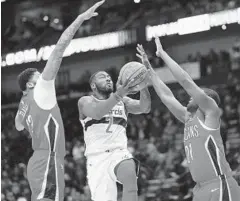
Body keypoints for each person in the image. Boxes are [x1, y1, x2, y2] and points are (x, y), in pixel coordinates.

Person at [14, 1, 105, 201]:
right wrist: (80, 19)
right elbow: (59, 49)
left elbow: (18, 125)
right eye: (38, 75)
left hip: (37, 161)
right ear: (30, 85)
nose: (43, 75)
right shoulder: (41, 90)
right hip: (48, 158)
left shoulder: (25, 102)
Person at [136, 38, 240, 201]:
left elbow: (186, 81)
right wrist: (149, 69)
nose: (190, 97)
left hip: (219, 184)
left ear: (206, 99)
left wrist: (162, 55)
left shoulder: (211, 112)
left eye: (197, 94)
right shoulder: (188, 118)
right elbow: (166, 95)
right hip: (199, 189)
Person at [78, 70, 151, 201]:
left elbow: (145, 108)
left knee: (130, 173)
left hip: (118, 152)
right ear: (93, 86)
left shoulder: (123, 101)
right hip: (97, 158)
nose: (108, 79)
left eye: (109, 77)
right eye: (102, 77)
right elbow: (97, 113)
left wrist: (143, 86)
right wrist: (118, 94)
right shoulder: (85, 101)